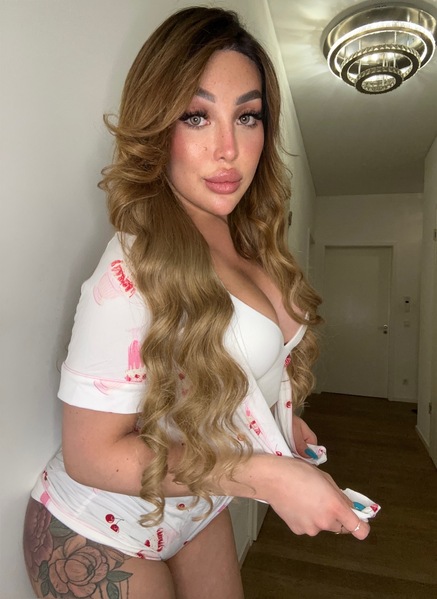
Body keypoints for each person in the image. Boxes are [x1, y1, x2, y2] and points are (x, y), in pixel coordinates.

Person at [23, 7, 372, 599]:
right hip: (93, 531)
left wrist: (280, 425)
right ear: (158, 126)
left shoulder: (250, 241)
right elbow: (90, 455)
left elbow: (236, 370)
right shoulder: (132, 268)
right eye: (196, 116)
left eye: (248, 116)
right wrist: (266, 477)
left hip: (196, 504)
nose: (228, 149)